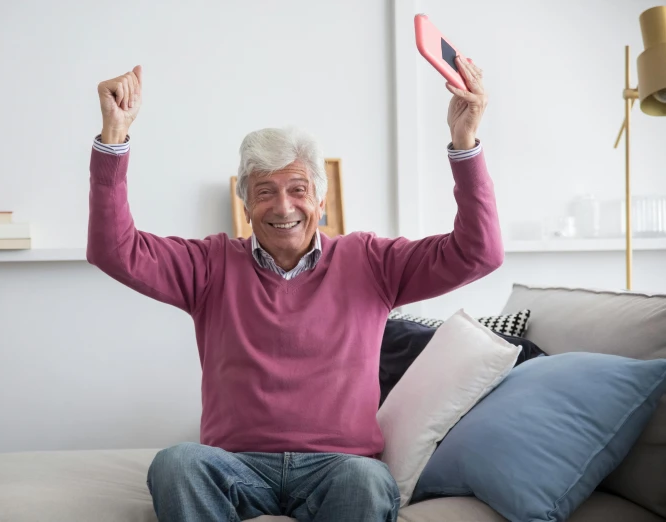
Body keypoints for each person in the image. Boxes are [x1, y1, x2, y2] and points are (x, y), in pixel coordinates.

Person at [87, 56, 500, 522]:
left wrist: (464, 144)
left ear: (321, 201)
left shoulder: (372, 261)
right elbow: (114, 250)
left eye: (298, 189)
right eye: (264, 191)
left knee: (366, 480)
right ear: (246, 203)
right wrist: (114, 138)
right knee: (177, 463)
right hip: (237, 465)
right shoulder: (209, 264)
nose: (283, 206)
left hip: (340, 468)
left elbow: (478, 252)